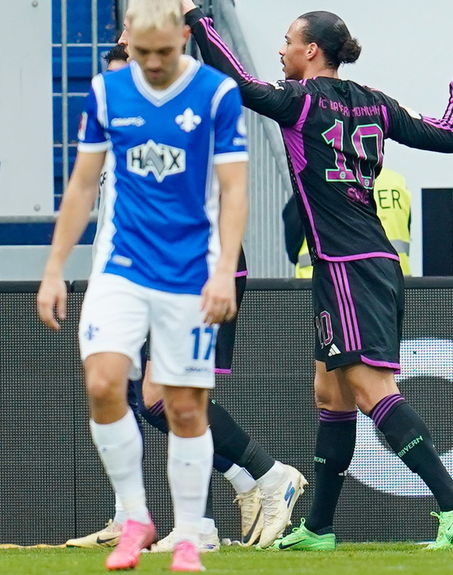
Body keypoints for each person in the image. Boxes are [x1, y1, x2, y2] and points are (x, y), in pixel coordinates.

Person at [180, 0, 453, 550]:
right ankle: (320, 527)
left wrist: (195, 19)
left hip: (348, 264)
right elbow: (450, 132)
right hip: (363, 260)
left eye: (286, 41)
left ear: (309, 50)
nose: (280, 50)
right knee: (331, 394)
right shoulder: (373, 101)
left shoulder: (300, 100)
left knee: (371, 390)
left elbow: (237, 82)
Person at [37, 0, 248, 571]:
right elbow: (83, 184)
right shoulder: (107, 92)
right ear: (130, 40)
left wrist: (224, 272)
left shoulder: (216, 94)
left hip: (190, 272)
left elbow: (234, 191)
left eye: (162, 51)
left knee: (183, 407)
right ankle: (134, 517)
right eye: (142, 53)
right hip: (122, 267)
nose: (152, 64)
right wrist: (55, 269)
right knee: (104, 384)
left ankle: (187, 534)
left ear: (183, 36)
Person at [64, 42, 306, 553]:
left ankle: (262, 476)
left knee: (168, 395)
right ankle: (210, 512)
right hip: (152, 273)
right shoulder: (121, 140)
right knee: (156, 397)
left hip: (196, 269)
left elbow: (219, 194)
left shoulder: (187, 117)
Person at [286, 167, 413, 277]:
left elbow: (293, 239)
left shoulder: (317, 181)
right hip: (394, 282)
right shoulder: (396, 182)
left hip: (324, 286)